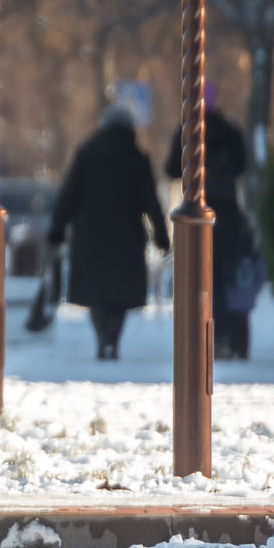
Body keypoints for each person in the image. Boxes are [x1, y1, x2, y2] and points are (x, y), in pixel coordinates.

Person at [49, 105, 168, 363]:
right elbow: (151, 201)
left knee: (96, 293)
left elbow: (69, 195)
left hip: (90, 235)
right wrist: (161, 234)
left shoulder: (86, 154)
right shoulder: (138, 158)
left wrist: (57, 229)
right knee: (119, 294)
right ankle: (112, 339)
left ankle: (103, 337)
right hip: (126, 236)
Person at [162, 94, 261, 365]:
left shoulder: (188, 131)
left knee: (199, 277)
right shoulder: (230, 131)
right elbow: (242, 166)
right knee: (225, 277)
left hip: (196, 211)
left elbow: (171, 168)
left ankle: (204, 336)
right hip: (227, 213)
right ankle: (226, 335)